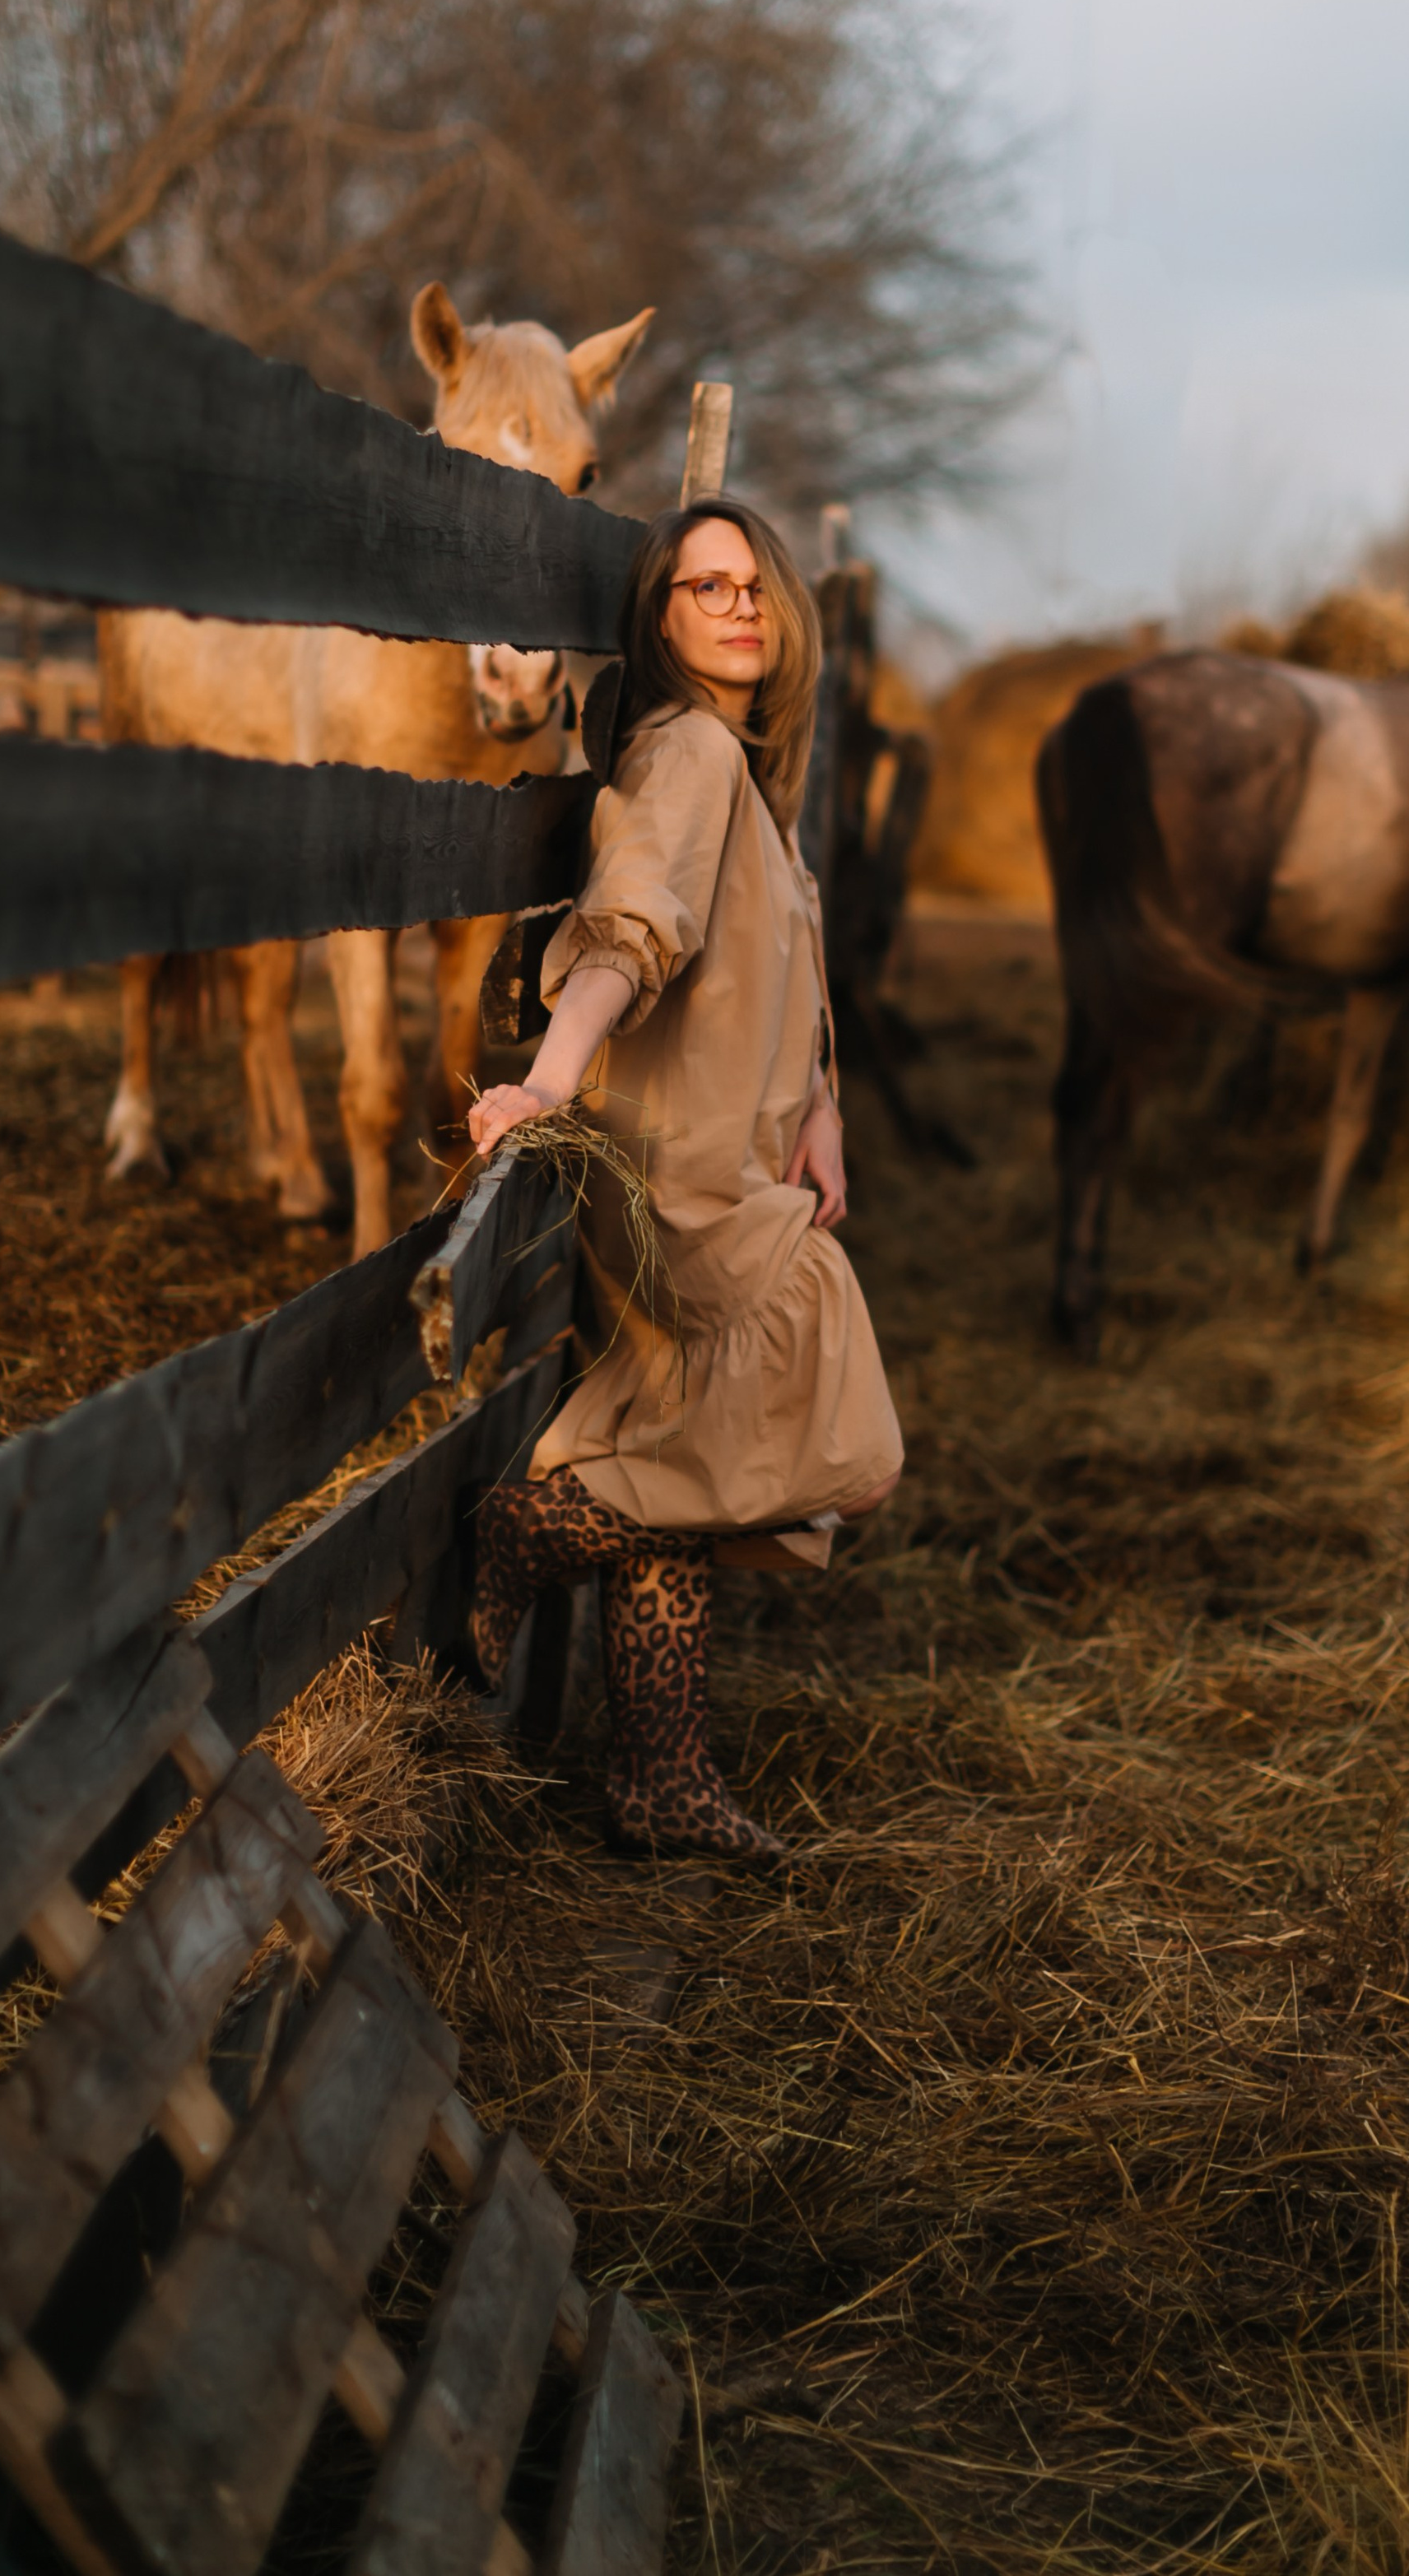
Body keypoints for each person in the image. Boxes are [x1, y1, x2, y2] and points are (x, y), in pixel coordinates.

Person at [464, 498, 904, 1862]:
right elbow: (634, 926)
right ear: (657, 622)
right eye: (703, 589)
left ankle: (659, 1773)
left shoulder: (751, 769)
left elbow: (785, 958)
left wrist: (822, 1105)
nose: (737, 607)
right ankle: (525, 1530)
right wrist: (550, 1074)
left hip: (744, 1155)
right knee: (838, 1420)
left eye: (752, 584)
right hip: (675, 1178)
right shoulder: (692, 754)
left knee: (676, 1471)